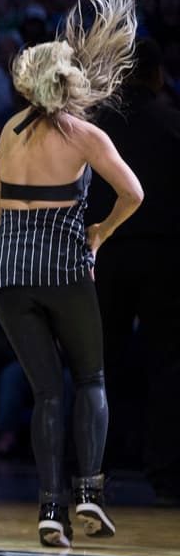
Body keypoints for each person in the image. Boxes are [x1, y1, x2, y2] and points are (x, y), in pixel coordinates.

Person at [0, 0, 143, 547]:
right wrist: (98, 232)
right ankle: (89, 495)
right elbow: (134, 194)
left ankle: (50, 508)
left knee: (46, 392)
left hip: (7, 274)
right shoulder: (85, 134)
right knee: (91, 379)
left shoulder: (9, 130)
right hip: (65, 268)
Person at [87, 38, 180, 506]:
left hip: (106, 252)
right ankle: (165, 475)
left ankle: (93, 472)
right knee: (169, 364)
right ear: (159, 76)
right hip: (166, 257)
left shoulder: (97, 125)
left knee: (99, 364)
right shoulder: (173, 123)